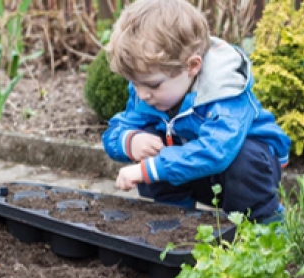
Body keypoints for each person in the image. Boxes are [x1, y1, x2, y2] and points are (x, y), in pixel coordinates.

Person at [101, 0, 291, 224]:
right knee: (152, 148)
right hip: (194, 170)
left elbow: (216, 151)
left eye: (152, 85)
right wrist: (130, 141)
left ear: (192, 66)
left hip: (246, 175)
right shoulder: (149, 93)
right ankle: (175, 219)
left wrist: (150, 170)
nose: (142, 95)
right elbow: (116, 129)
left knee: (243, 159)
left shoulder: (225, 91)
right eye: (135, 83)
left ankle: (265, 223)